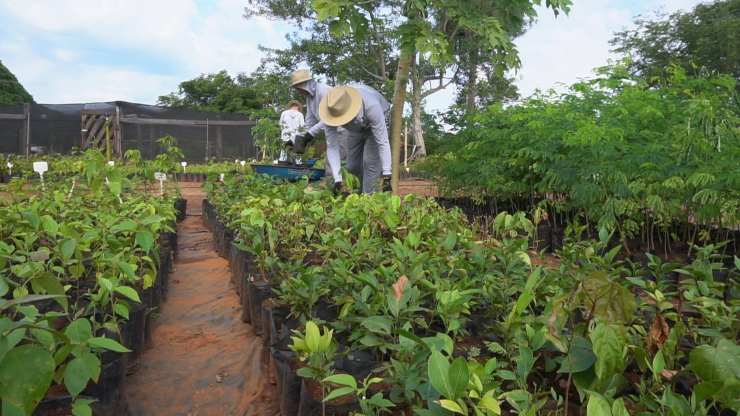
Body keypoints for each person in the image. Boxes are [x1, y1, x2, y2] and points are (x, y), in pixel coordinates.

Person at [295, 84, 392, 194]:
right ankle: (360, 191)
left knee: (370, 163)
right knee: (352, 166)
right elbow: (332, 147)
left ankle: (369, 198)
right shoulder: (332, 110)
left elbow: (382, 142)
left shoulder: (372, 107)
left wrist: (387, 174)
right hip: (355, 128)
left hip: (377, 119)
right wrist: (338, 180)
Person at [289, 70, 347, 190]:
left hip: (342, 131)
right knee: (333, 164)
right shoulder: (309, 98)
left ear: (305, 84)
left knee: (337, 165)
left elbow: (329, 118)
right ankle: (337, 191)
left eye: (298, 87)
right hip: (331, 133)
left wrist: (310, 135)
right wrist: (296, 139)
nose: (298, 91)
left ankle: (340, 192)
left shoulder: (324, 91)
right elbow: (309, 121)